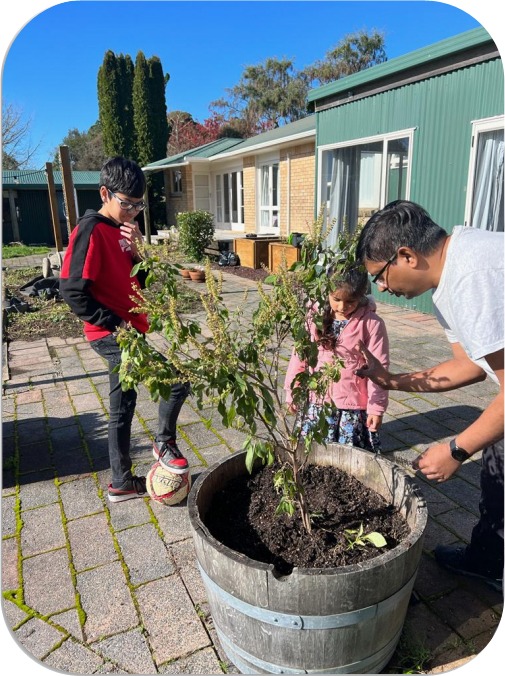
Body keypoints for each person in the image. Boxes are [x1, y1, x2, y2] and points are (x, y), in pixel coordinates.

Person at [354, 199, 504, 592]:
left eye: (380, 276)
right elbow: (468, 365)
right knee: (498, 473)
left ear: (406, 256)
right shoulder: (449, 278)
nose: (382, 288)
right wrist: (389, 381)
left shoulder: (473, 277)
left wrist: (456, 450)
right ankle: (487, 561)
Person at [60, 156, 190, 503]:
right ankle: (163, 442)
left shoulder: (123, 231)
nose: (133, 211)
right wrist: (117, 327)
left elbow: (140, 282)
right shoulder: (90, 229)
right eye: (127, 204)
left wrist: (138, 253)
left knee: (123, 405)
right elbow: (72, 290)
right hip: (112, 335)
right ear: (105, 193)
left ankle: (120, 482)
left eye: (139, 205)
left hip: (128, 331)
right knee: (177, 380)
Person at [284, 265, 389, 452]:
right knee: (313, 453)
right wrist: (293, 391)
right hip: (316, 402)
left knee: (349, 458)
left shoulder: (372, 324)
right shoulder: (314, 319)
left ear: (362, 296)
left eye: (350, 301)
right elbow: (300, 356)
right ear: (328, 292)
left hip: (352, 406)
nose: (342, 307)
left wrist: (376, 408)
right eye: (336, 299)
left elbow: (379, 367)